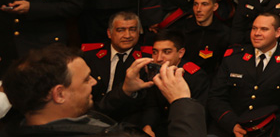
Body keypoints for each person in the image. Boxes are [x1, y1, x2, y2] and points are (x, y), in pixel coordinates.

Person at [2, 45, 205, 136]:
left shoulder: (35, 121)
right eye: (85, 80)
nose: (93, 82)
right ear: (59, 94)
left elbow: (94, 112)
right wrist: (181, 102)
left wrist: (125, 90)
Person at [208, 13, 280, 137]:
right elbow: (216, 97)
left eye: (264, 29)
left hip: (271, 130)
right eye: (254, 28)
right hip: (231, 127)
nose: (257, 33)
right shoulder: (233, 58)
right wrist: (232, 124)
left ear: (278, 33)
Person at [140, 29, 211, 137]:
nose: (158, 58)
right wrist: (147, 126)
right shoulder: (153, 71)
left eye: (166, 52)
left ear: (180, 53)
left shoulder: (196, 77)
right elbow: (151, 106)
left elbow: (197, 115)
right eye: (155, 52)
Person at [80, 11, 147, 102]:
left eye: (132, 29)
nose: (127, 35)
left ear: (139, 32)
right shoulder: (90, 56)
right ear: (109, 33)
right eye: (121, 30)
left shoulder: (146, 59)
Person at [173, 0, 231, 75]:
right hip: (181, 76)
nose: (198, 9)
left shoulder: (224, 33)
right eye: (196, 4)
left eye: (204, 4)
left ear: (215, 7)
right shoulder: (181, 29)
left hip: (209, 80)